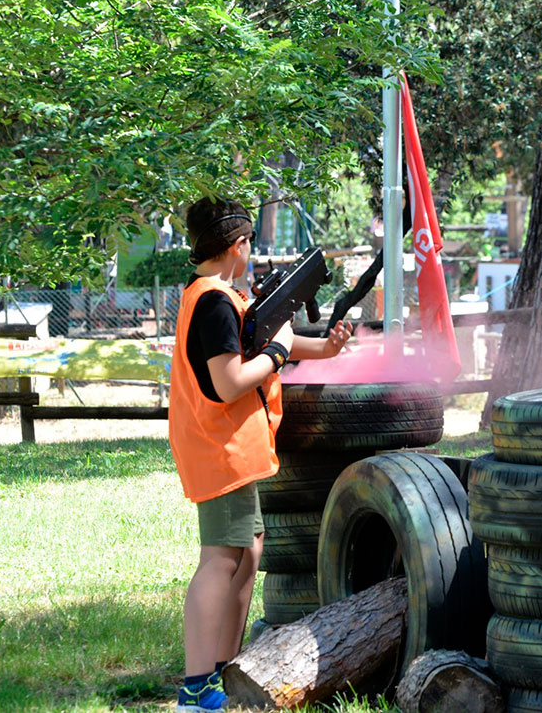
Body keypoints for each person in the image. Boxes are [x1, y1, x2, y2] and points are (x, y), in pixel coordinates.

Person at [168, 197, 353, 713]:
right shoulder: (215, 303)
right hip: (220, 447)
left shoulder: (217, 295)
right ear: (239, 244)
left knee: (246, 553)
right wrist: (277, 356)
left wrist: (325, 348)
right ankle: (195, 687)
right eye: (250, 242)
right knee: (221, 559)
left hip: (227, 448)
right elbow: (230, 383)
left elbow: (267, 339)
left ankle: (223, 672)